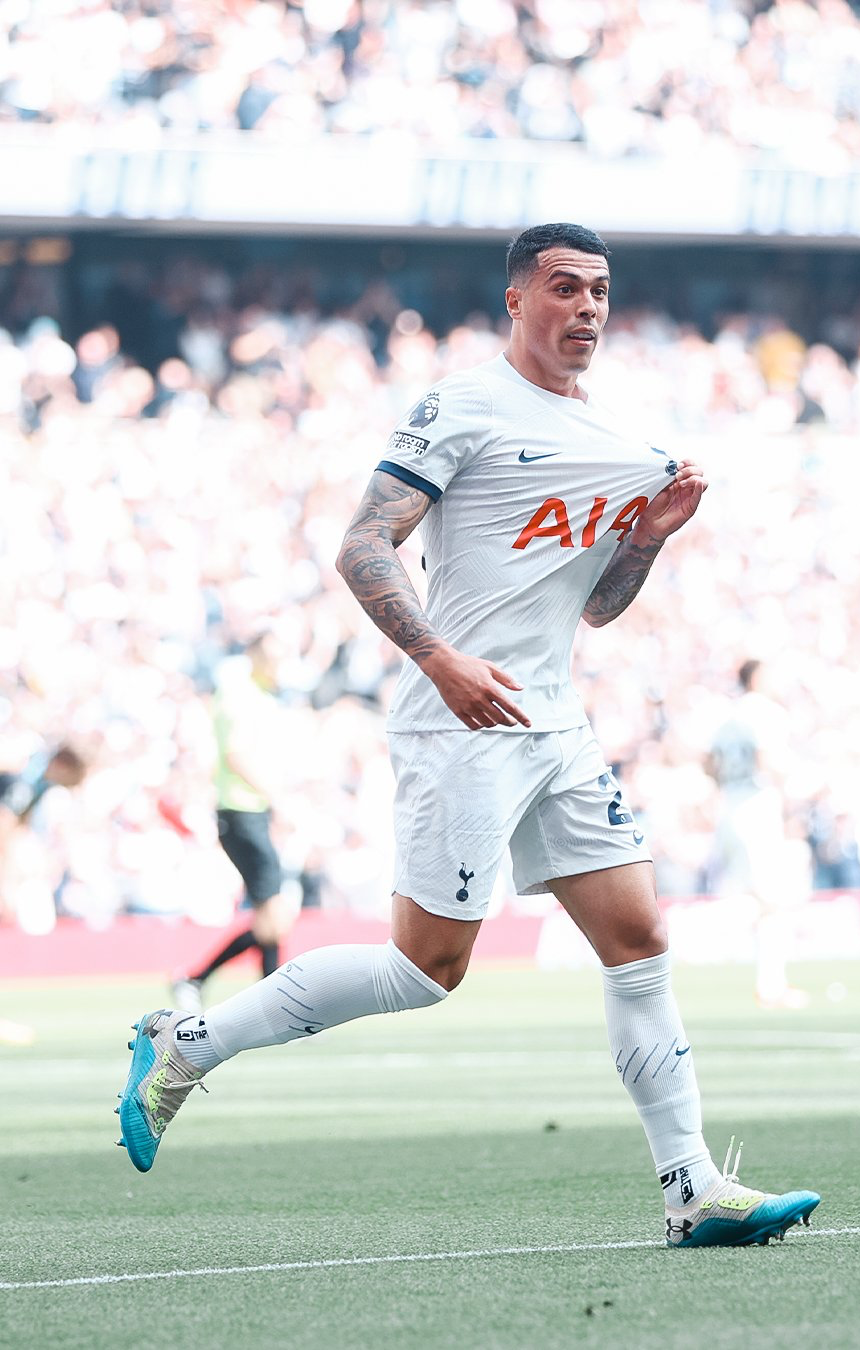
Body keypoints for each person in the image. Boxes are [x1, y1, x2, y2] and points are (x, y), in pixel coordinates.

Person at [115, 222, 819, 1249]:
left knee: (639, 940)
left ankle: (692, 1188)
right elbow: (363, 545)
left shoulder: (626, 442)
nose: (587, 308)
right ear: (517, 301)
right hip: (460, 720)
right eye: (565, 288)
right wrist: (439, 660)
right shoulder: (466, 406)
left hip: (556, 721)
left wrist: (646, 542)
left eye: (601, 293)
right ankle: (187, 1042)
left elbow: (600, 610)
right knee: (425, 970)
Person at [170, 632, 296, 1013]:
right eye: (273, 655)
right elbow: (236, 756)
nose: (280, 664)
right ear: (254, 655)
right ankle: (204, 981)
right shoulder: (240, 696)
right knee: (273, 916)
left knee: (271, 919)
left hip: (250, 812)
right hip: (240, 812)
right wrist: (280, 799)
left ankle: (202, 982)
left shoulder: (259, 696)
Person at [707, 659, 811, 1009]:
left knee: (752, 897)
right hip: (757, 805)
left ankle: (765, 983)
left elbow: (709, 763)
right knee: (773, 901)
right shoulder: (766, 712)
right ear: (758, 678)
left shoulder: (727, 715)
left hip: (731, 805)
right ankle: (771, 986)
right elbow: (768, 759)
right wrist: (795, 803)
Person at [0, 743, 88, 1045]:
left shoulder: (32, 782)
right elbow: (4, 825)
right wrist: (6, 880)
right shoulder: (24, 779)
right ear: (62, 764)